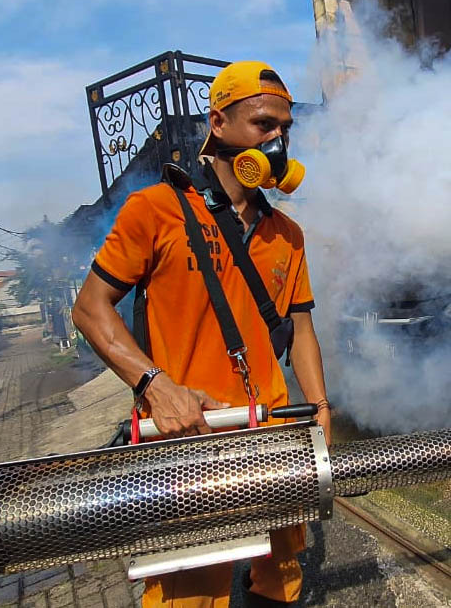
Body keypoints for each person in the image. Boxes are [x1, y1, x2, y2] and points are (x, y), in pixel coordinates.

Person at [72, 60, 330, 608]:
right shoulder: (155, 210)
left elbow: (302, 326)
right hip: (189, 436)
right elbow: (91, 308)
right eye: (264, 124)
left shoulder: (288, 234)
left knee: (281, 574)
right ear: (219, 122)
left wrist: (320, 406)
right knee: (193, 592)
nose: (279, 137)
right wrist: (155, 386)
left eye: (285, 127)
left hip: (273, 431)